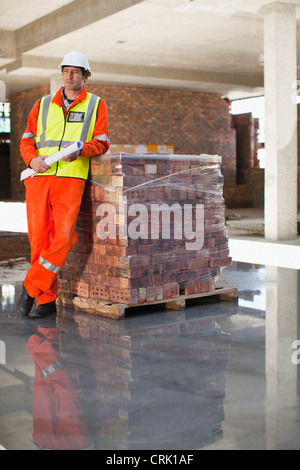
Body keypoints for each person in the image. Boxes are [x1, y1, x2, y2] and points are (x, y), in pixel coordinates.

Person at [16, 51, 110, 319]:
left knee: (65, 237)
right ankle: (46, 301)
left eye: (75, 72)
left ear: (85, 76)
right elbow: (26, 140)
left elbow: (102, 142)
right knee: (39, 240)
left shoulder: (96, 104)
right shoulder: (43, 104)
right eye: (66, 71)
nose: (69, 76)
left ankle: (30, 286)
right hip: (39, 178)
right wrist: (32, 160)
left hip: (71, 178)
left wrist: (81, 152)